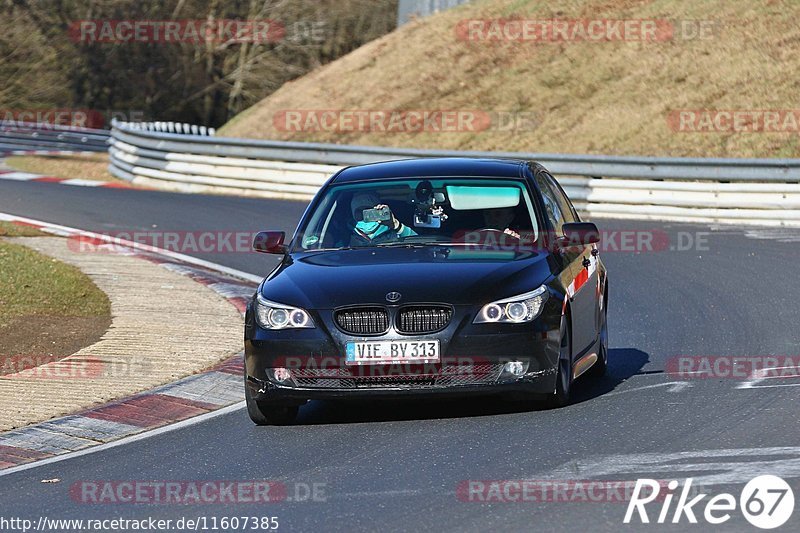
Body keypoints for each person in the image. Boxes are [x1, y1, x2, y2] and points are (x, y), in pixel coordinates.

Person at [350, 192, 416, 245]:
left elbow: (417, 243)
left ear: (378, 211)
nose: (365, 216)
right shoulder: (345, 238)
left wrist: (395, 224)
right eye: (359, 212)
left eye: (368, 211)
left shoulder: (393, 233)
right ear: (353, 214)